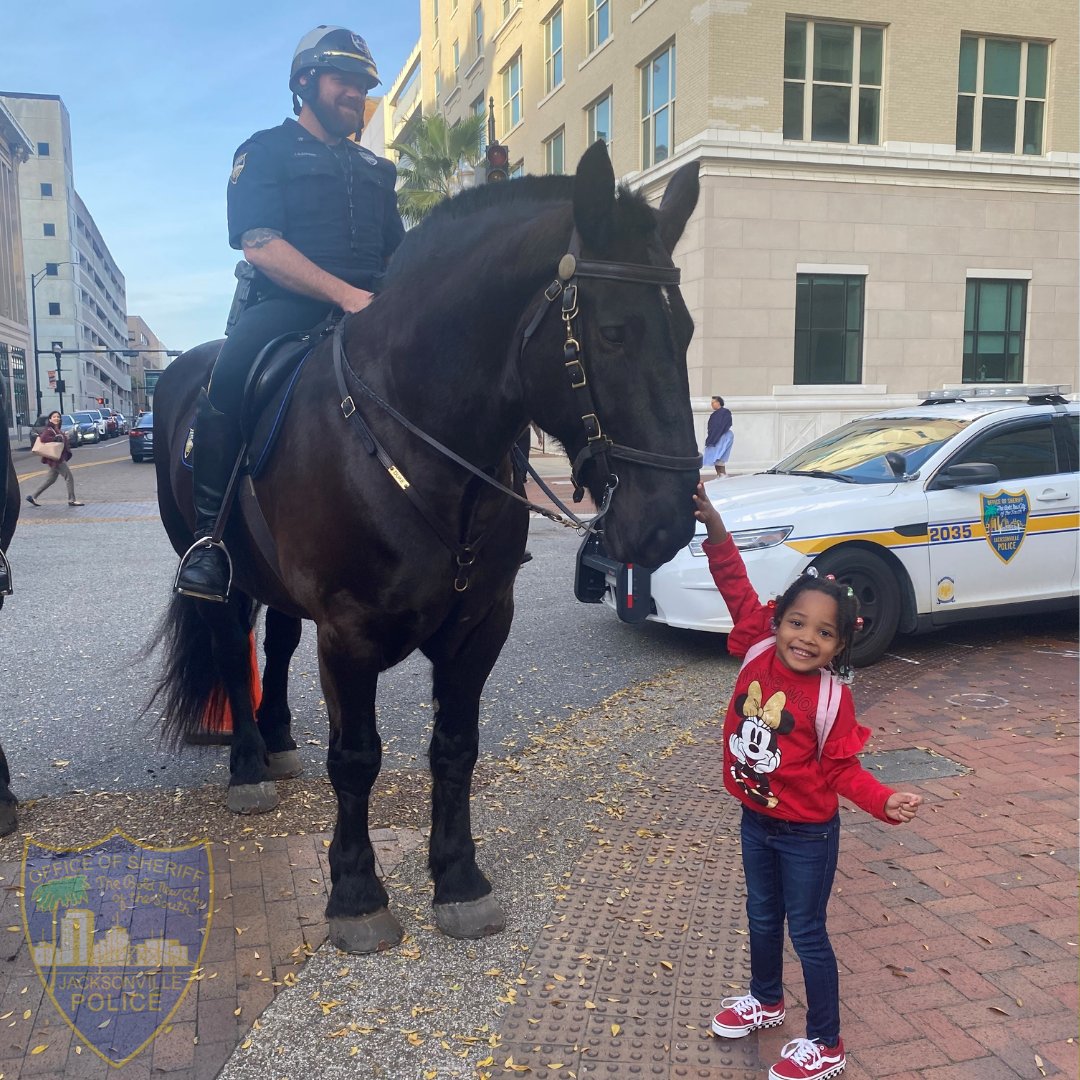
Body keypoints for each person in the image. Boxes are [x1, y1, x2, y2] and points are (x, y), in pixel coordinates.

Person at [692, 482, 922, 1080]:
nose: (805, 638)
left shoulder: (830, 698)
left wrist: (883, 799)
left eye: (823, 633)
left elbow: (843, 768)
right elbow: (734, 583)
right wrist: (716, 530)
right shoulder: (757, 645)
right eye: (797, 622)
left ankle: (826, 1043)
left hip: (807, 836)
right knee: (762, 917)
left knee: (809, 932)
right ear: (778, 619)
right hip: (756, 820)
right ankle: (766, 1000)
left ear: (840, 645)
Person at [175, 25, 407, 602]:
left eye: (362, 84)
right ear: (305, 83)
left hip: (371, 307)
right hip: (283, 308)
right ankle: (209, 544)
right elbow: (259, 243)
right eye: (343, 81)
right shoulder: (264, 150)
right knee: (225, 382)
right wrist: (347, 296)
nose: (356, 93)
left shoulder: (377, 170)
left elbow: (397, 254)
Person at [25, 411, 84, 508]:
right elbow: (44, 438)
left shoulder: (55, 429)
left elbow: (59, 439)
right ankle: (72, 500)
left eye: (58, 417)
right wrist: (56, 438)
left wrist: (64, 437)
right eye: (54, 417)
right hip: (56, 459)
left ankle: (33, 496)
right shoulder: (49, 429)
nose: (56, 418)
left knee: (50, 480)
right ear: (50, 419)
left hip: (55, 458)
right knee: (69, 477)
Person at [702, 395, 734, 477]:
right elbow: (711, 427)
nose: (712, 404)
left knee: (720, 457)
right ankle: (719, 474)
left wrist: (718, 434)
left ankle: (722, 474)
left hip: (722, 437)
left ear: (718, 402)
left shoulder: (725, 412)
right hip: (714, 438)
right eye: (711, 403)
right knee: (715, 458)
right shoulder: (713, 415)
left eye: (713, 402)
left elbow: (724, 424)